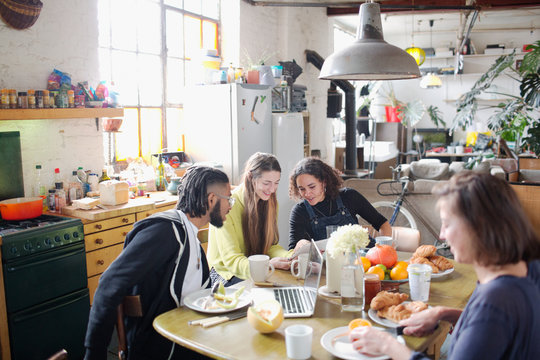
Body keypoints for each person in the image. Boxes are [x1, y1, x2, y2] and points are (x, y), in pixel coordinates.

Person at [349, 172, 540, 360]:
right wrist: (444, 313)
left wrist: (388, 345)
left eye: (447, 224)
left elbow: (490, 315)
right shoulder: (526, 269)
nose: (441, 235)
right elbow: (496, 326)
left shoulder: (495, 300)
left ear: (479, 227)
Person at [84, 166, 232, 360]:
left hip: (187, 336)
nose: (231, 205)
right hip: (164, 348)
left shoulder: (190, 235)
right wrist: (93, 354)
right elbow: (108, 284)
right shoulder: (165, 232)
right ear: (211, 199)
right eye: (229, 199)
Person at [207, 152, 309, 286]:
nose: (272, 189)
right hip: (225, 273)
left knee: (291, 283)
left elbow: (270, 246)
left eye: (276, 183)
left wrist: (291, 257)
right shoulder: (226, 206)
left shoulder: (270, 203)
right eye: (267, 183)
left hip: (256, 268)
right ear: (250, 177)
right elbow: (232, 260)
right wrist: (265, 266)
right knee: (269, 291)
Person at [288, 157, 391, 250]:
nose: (307, 193)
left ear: (324, 182)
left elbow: (382, 224)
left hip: (365, 259)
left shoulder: (349, 196)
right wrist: (302, 244)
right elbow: (293, 249)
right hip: (330, 265)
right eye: (302, 189)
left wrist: (383, 250)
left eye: (312, 187)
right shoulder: (300, 212)